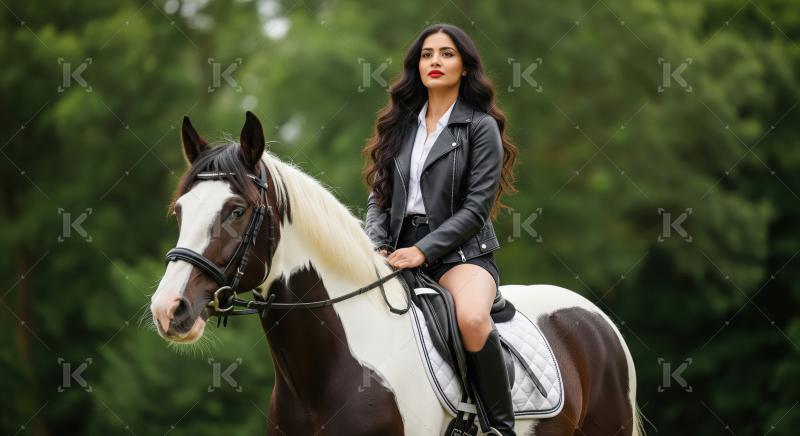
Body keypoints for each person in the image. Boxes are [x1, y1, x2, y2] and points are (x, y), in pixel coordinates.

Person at [362, 23, 519, 435]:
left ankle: (498, 426)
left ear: (465, 67)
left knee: (469, 318)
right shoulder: (399, 125)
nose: (435, 61)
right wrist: (376, 244)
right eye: (427, 54)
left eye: (447, 54)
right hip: (395, 252)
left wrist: (424, 251)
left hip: (462, 254)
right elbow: (379, 196)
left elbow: (475, 208)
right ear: (417, 66)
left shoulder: (480, 128)